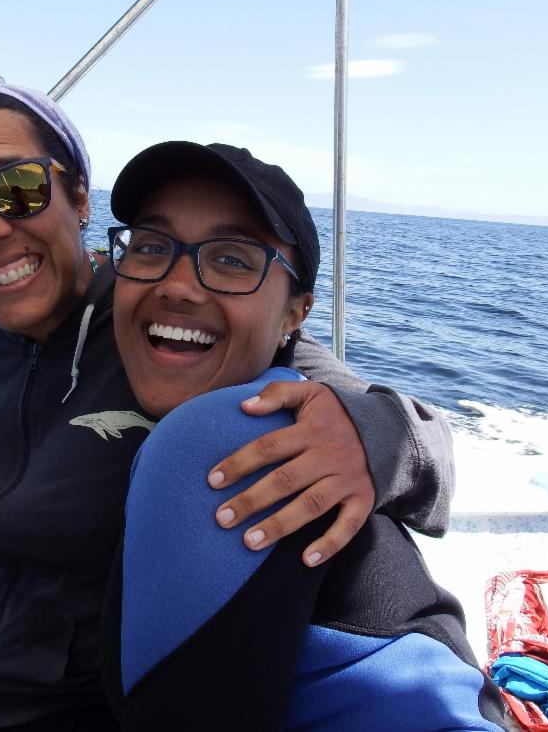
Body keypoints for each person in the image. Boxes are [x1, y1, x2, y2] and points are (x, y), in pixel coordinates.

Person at [0, 82, 456, 730]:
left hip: (80, 692)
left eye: (17, 188)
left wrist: (373, 434)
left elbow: (365, 415)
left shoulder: (158, 322)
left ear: (76, 197)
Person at [101, 142, 507, 731]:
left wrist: (378, 429)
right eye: (151, 247)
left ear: (295, 314)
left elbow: (402, 422)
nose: (178, 286)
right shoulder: (127, 334)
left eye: (233, 260)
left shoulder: (226, 444)